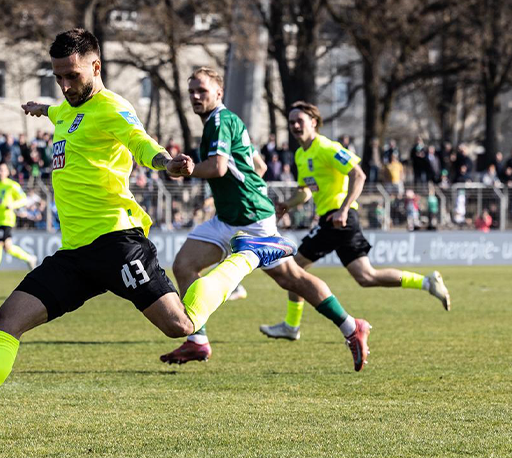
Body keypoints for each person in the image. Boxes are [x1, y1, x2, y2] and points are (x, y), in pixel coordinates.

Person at [0, 29, 297, 449]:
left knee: (180, 326)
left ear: (96, 67)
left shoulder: (113, 106)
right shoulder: (65, 108)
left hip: (118, 243)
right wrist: (42, 108)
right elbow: (60, 109)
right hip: (75, 255)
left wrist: (171, 163)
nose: (64, 84)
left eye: (72, 75)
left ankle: (248, 255)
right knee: (5, 322)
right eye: (57, 76)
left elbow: (142, 144)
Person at [158, 68, 372, 370]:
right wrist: (240, 188)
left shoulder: (219, 120)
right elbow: (257, 165)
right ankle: (198, 341)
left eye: (201, 90)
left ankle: (352, 327)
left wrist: (189, 170)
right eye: (191, 90)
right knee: (184, 265)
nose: (195, 96)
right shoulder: (224, 121)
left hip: (252, 218)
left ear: (218, 93)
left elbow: (218, 168)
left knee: (292, 278)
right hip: (228, 216)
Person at [261, 102, 451, 342]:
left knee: (293, 268)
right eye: (291, 122)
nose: (295, 125)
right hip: (336, 221)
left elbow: (358, 174)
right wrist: (286, 205)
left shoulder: (327, 148)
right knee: (366, 276)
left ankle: (291, 325)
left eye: (300, 120)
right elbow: (306, 191)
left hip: (338, 218)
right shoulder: (300, 154)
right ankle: (426, 283)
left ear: (314, 122)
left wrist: (343, 209)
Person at [0, 162, 38, 285]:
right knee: (8, 248)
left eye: (3, 170)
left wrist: (13, 205)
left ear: (8, 172)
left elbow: (24, 199)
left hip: (7, 219)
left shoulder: (12, 186)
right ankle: (30, 258)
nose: (1, 172)